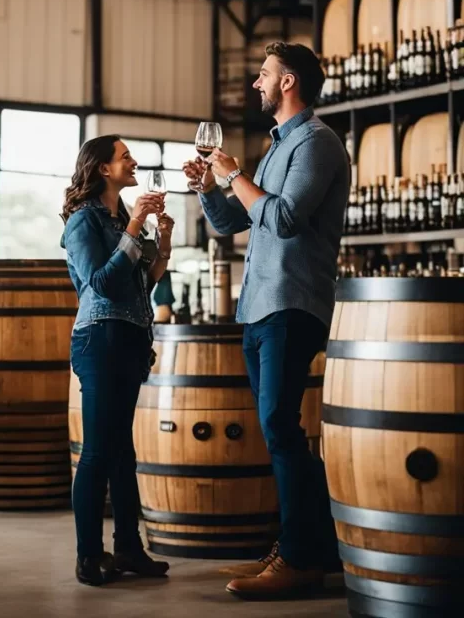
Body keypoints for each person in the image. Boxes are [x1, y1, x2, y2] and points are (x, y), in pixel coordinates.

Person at [183, 43, 350, 600]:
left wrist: (233, 174)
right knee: (279, 432)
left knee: (280, 428)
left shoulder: (318, 143)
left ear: (288, 82)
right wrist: (212, 186)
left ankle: (302, 557)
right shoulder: (277, 146)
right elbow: (234, 220)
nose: (256, 83)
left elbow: (279, 217)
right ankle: (314, 545)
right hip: (258, 308)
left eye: (263, 75)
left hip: (292, 305)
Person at [62, 136, 173, 587]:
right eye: (125, 156)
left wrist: (161, 242)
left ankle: (129, 548)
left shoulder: (121, 218)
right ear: (104, 169)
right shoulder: (83, 221)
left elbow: (141, 285)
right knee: (97, 453)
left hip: (128, 338)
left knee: (123, 451)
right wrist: (137, 226)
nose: (134, 162)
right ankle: (89, 556)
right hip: (100, 340)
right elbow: (103, 285)